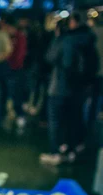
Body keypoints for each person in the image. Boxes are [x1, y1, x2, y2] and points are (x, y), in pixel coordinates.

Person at [41, 15, 98, 165]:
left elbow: (50, 57)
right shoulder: (87, 39)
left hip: (59, 86)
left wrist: (56, 39)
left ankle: (55, 152)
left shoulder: (65, 40)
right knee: (73, 118)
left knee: (55, 120)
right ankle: (71, 148)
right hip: (79, 88)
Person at [1, 14, 28, 129]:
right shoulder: (7, 37)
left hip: (15, 71)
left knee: (16, 95)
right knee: (7, 94)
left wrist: (11, 63)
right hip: (9, 70)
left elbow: (19, 56)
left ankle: (20, 116)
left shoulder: (20, 37)